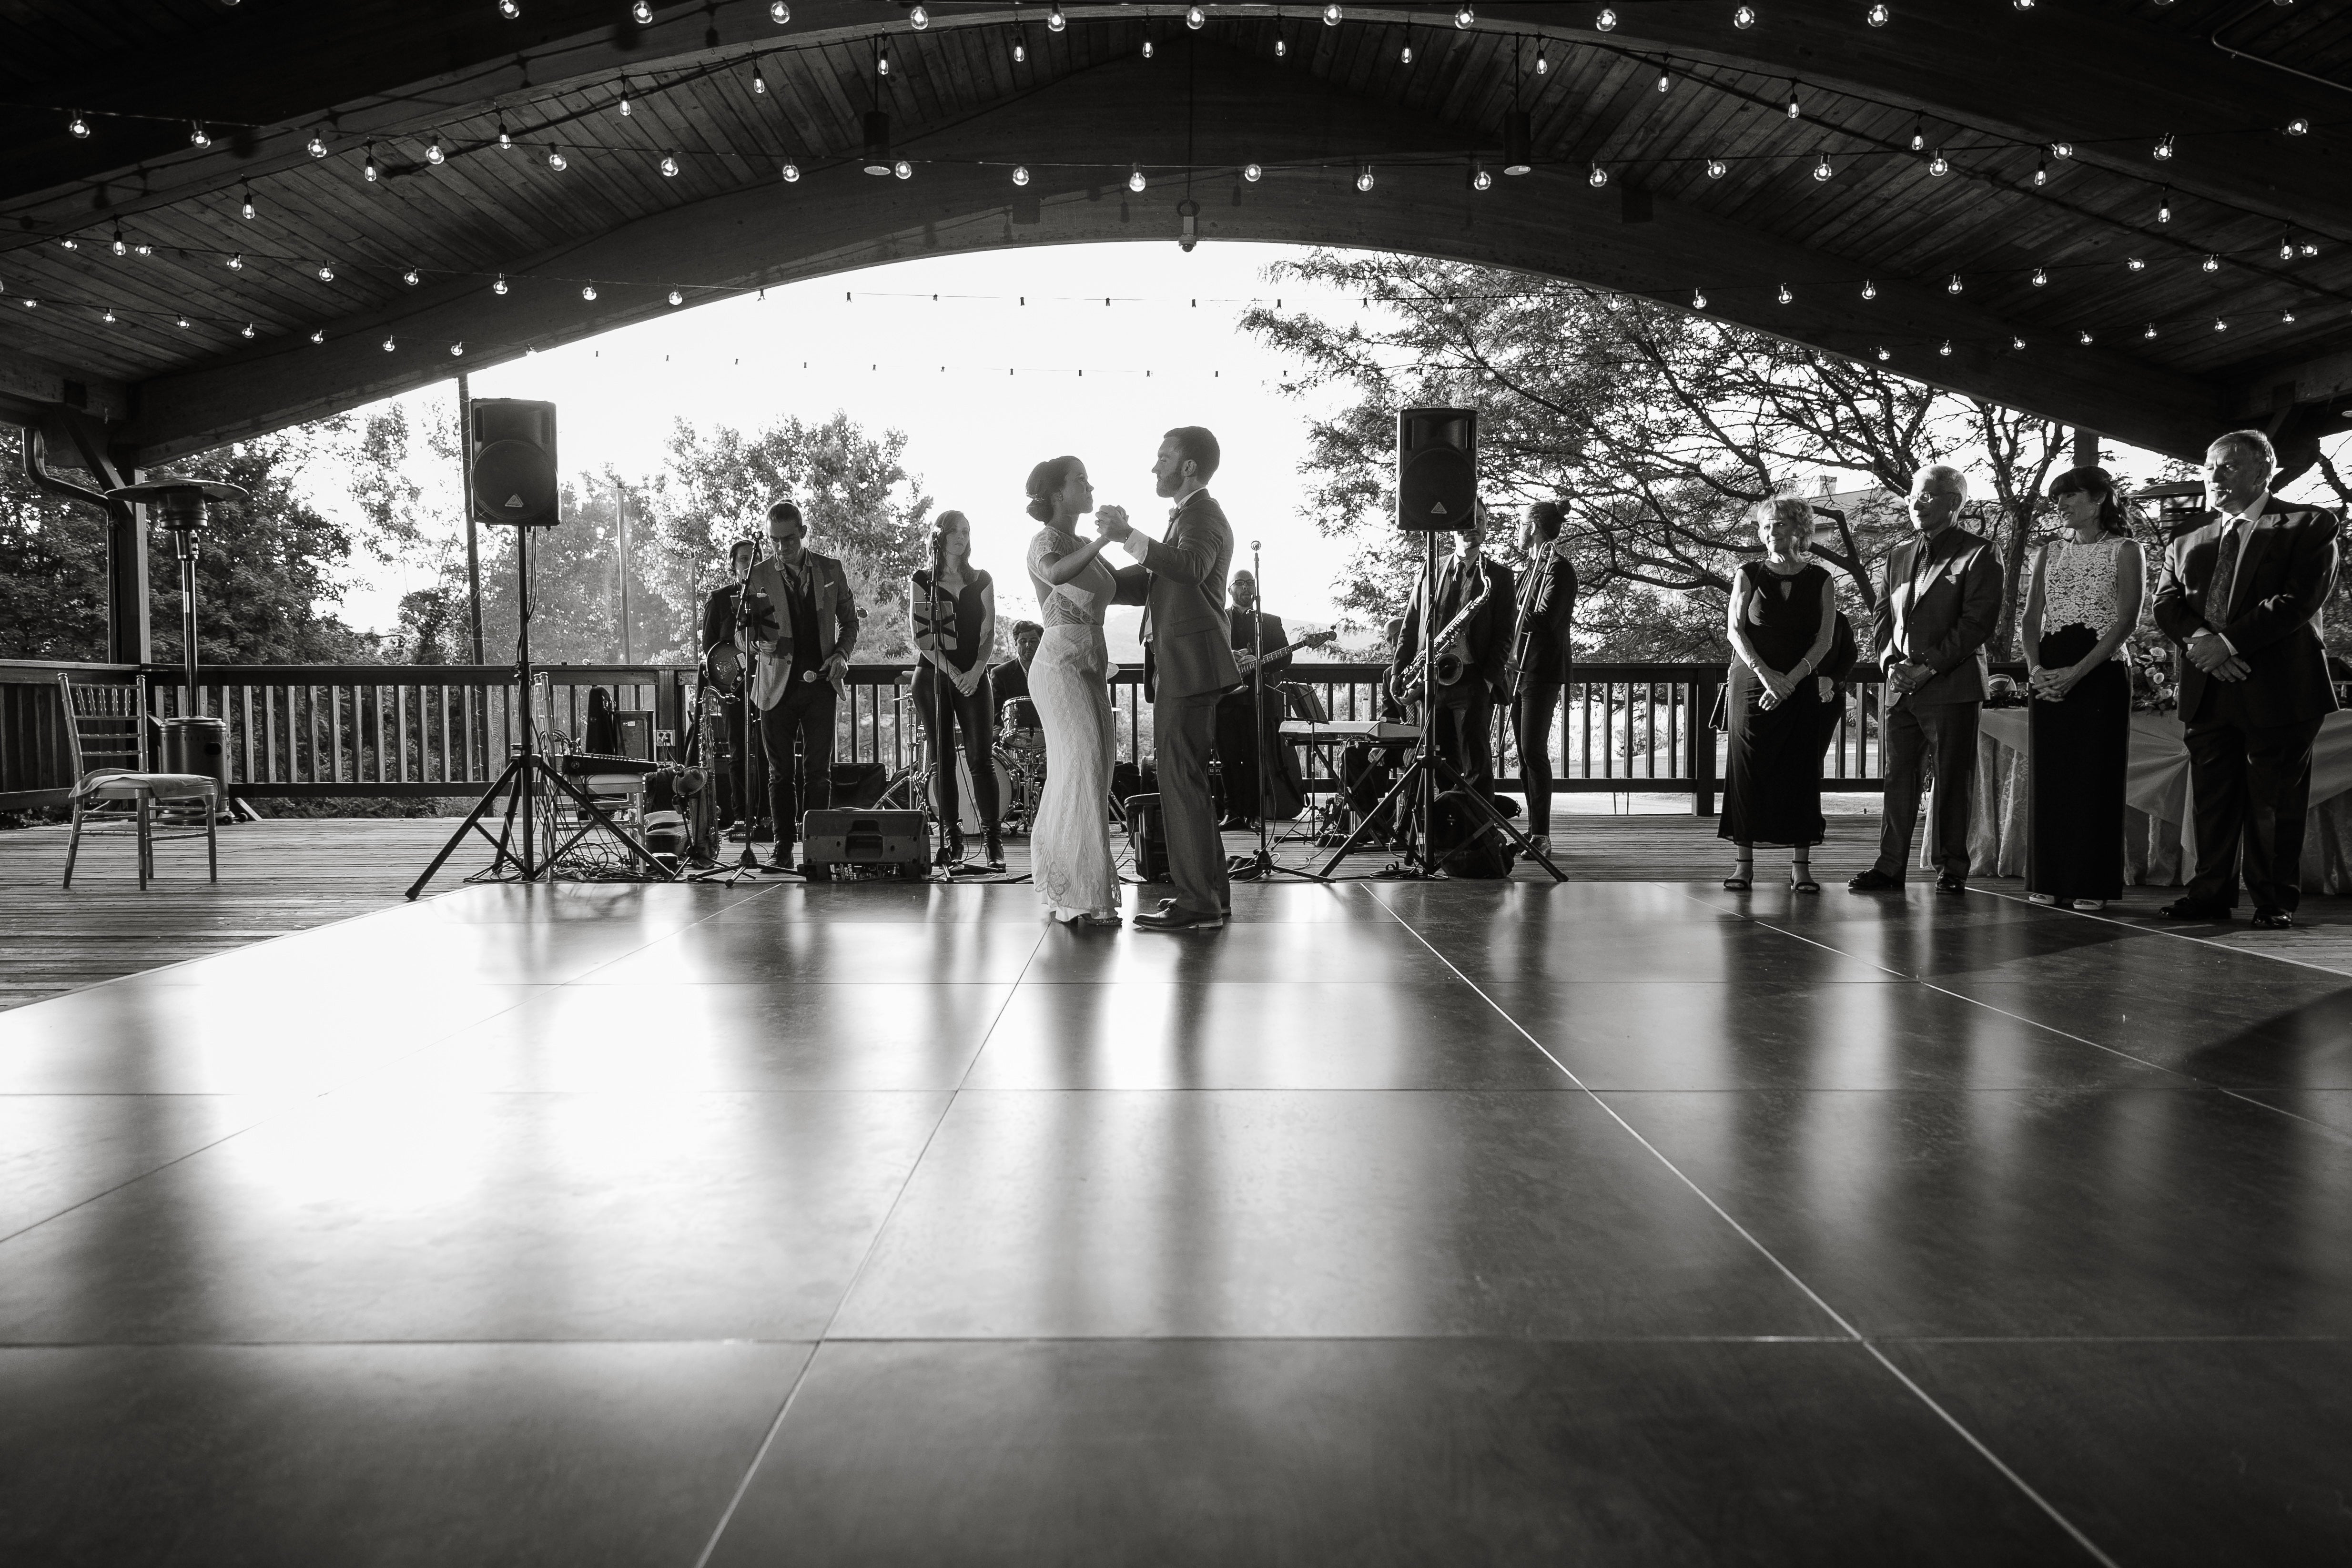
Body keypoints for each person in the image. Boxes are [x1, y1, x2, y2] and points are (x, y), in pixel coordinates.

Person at [2150, 429, 2341, 928]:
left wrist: (2227, 644)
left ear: (2264, 470)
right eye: (2209, 467)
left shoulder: (2310, 523)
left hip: (2279, 688)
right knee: (2212, 801)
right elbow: (2166, 604)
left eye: (2228, 466)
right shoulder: (2186, 537)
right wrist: (2203, 646)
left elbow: (2299, 599)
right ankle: (2209, 895)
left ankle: (2272, 900)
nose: (2214, 476)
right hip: (2208, 687)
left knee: (2273, 804)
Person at [1101, 426, 1241, 931]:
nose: (1154, 466)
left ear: (1187, 467)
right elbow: (1156, 580)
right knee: (1188, 783)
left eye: (1163, 457)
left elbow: (1188, 567)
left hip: (1189, 667)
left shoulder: (1204, 514)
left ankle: (1198, 903)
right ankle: (1211, 896)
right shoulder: (1188, 515)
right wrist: (1092, 576)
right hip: (1185, 666)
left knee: (1180, 783)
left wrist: (1127, 537)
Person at [1850, 465, 2001, 895]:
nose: (1916, 502)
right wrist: (1889, 662)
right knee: (1898, 779)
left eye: (1929, 495)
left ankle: (1951, 868)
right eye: (1913, 494)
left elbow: (1978, 622)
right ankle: (1889, 867)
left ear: (1955, 502)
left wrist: (1928, 666)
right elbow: (1881, 615)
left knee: (1953, 779)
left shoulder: (1980, 552)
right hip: (1900, 687)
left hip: (1952, 685)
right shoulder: (1898, 553)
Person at [2022, 467, 2146, 912]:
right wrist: (2036, 669)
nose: (2061, 505)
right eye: (2058, 498)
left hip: (2102, 674)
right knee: (2050, 777)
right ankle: (2048, 877)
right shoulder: (2049, 551)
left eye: (2070, 496)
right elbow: (2031, 617)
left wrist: (2077, 674)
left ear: (2098, 500)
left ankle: (2091, 881)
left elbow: (2127, 621)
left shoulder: (2127, 550)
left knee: (2095, 778)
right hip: (2049, 675)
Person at [1720, 498, 1839, 892]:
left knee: (1801, 770)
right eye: (1767, 526)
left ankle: (1801, 867)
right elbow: (1735, 632)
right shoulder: (1748, 573)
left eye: (1783, 526)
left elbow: (1825, 639)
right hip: (1752, 683)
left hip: (1800, 683)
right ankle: (1744, 865)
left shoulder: (1822, 579)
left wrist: (1793, 678)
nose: (1773, 533)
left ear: (1801, 531)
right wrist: (1767, 675)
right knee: (1747, 771)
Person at [1023, 457, 1123, 927]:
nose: (1090, 485)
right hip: (1058, 667)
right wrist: (1107, 537)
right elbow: (1058, 573)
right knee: (1081, 763)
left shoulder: (1085, 543)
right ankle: (1074, 896)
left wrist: (1128, 541)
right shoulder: (1045, 541)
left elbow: (1117, 587)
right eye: (1080, 479)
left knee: (1097, 769)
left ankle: (1074, 883)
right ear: (1058, 494)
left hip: (1091, 665)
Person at [740, 500, 859, 874]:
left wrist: (841, 655)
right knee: (780, 774)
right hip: (775, 686)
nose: (781, 547)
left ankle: (819, 848)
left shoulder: (831, 569)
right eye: (774, 540)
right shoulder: (755, 577)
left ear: (803, 533)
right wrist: (759, 645)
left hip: (822, 684)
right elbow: (743, 634)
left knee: (818, 773)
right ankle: (782, 847)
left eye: (788, 539)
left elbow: (850, 623)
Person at [1389, 511, 1515, 799]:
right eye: (1468, 521)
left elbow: (1504, 635)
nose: (1474, 528)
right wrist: (1399, 671)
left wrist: (1488, 681)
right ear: (1453, 528)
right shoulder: (1431, 570)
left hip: (1474, 677)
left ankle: (1481, 835)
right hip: (1433, 678)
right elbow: (1410, 626)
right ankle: (1452, 826)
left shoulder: (1499, 576)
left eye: (1481, 521)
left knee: (1477, 762)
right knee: (1442, 761)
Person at [911, 510, 1003, 870]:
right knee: (942, 758)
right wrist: (951, 673)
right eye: (956, 532)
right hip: (933, 676)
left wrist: (976, 671)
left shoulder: (982, 579)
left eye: (967, 531)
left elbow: (989, 632)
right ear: (940, 537)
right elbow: (922, 637)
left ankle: (993, 841)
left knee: (981, 759)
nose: (963, 537)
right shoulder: (922, 580)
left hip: (975, 675)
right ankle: (953, 838)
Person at [1507, 500, 1578, 857]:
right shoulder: (1530, 570)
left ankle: (1542, 835)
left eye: (1521, 523)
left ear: (1533, 527)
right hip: (1519, 670)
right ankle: (1534, 831)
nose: (1517, 530)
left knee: (1534, 750)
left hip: (1542, 670)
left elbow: (1546, 619)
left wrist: (1506, 606)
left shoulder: (1559, 571)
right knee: (1523, 753)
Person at [1215, 568, 1300, 830]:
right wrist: (1232, 656)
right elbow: (1207, 652)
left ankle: (1254, 813)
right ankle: (1232, 812)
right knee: (1227, 759)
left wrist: (1259, 663)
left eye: (1250, 583)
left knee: (1255, 757)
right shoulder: (1217, 619)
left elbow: (1285, 657)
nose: (1246, 588)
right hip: (1224, 700)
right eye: (1239, 584)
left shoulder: (1270, 622)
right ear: (1229, 590)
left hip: (1257, 699)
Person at [699, 538, 761, 833]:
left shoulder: (770, 596)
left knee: (767, 750)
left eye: (754, 558)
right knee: (739, 749)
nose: (749, 564)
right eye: (743, 559)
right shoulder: (721, 599)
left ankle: (767, 816)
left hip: (767, 683)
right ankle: (741, 816)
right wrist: (732, 669)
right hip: (733, 688)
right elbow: (710, 650)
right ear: (734, 564)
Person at [989, 620, 1044, 726]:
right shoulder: (1000, 674)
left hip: (1045, 728)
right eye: (1023, 641)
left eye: (1033, 641)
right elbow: (996, 712)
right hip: (1012, 729)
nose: (1028, 645)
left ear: (1041, 642)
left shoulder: (1050, 671)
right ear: (1015, 643)